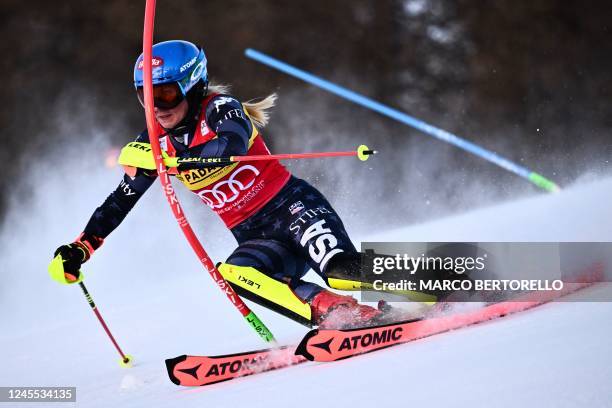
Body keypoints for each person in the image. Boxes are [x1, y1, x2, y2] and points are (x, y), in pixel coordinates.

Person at [51, 40, 385, 329]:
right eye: (146, 96)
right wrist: (81, 248)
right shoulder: (153, 144)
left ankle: (432, 275)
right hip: (255, 236)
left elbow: (230, 146)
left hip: (294, 211)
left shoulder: (222, 110)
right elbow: (120, 201)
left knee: (340, 270)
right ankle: (340, 313)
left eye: (165, 94)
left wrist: (178, 161)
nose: (156, 108)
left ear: (193, 86)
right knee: (236, 273)